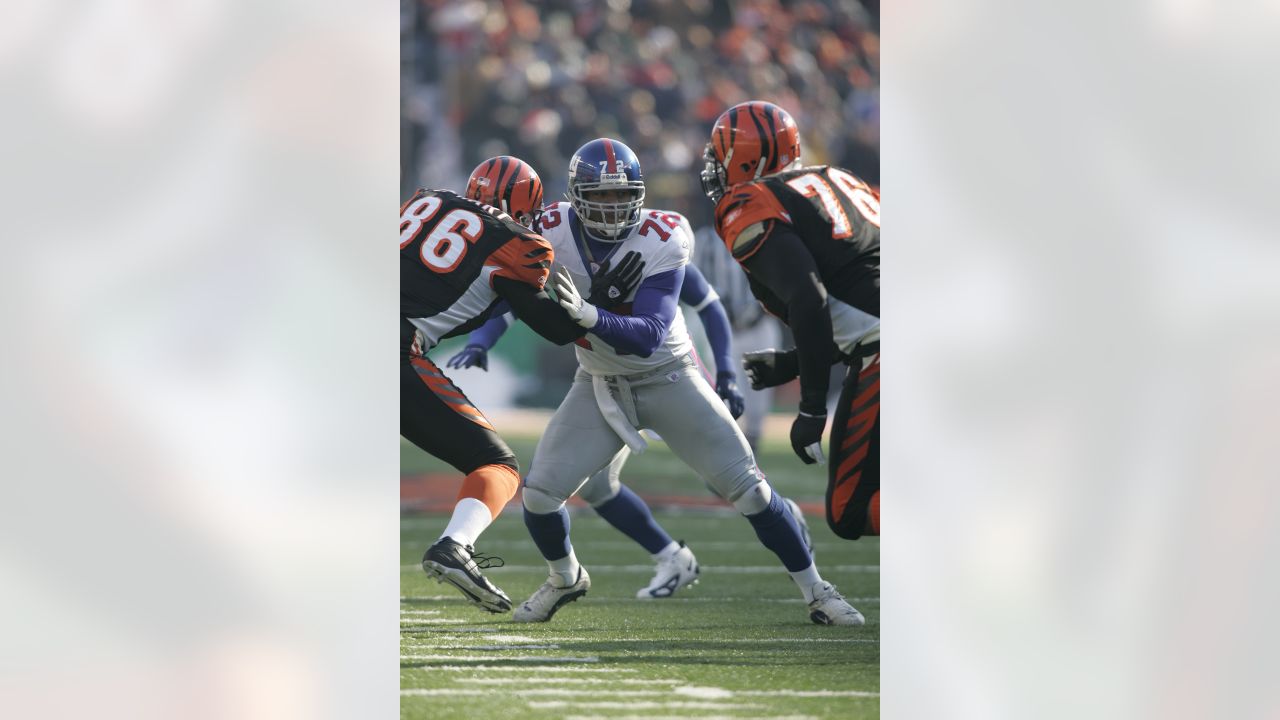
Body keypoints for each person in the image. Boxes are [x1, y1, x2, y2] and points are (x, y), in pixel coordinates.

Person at [511, 137, 862, 625]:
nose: (613, 207)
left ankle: (818, 592)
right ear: (575, 195)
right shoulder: (549, 228)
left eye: (622, 195)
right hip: (598, 380)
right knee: (540, 494)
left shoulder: (663, 233)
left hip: (668, 375)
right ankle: (564, 578)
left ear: (639, 193)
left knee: (750, 490)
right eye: (602, 196)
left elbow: (649, 335)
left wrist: (589, 313)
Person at [451, 245, 814, 598]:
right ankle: (672, 557)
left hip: (669, 377)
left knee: (731, 482)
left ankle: (785, 518)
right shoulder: (558, 241)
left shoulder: (655, 241)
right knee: (594, 486)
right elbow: (521, 302)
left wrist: (726, 373)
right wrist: (482, 339)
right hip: (606, 381)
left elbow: (706, 302)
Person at [401, 157, 642, 613]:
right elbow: (552, 327)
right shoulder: (516, 242)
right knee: (498, 465)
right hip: (394, 350)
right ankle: (455, 546)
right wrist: (602, 305)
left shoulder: (425, 200)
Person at [700, 101, 881, 541]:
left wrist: (812, 405)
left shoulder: (749, 199)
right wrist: (796, 362)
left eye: (721, 154)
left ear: (746, 158)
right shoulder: (839, 178)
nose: (715, 166)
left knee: (849, 512)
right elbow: (857, 294)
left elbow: (810, 296)